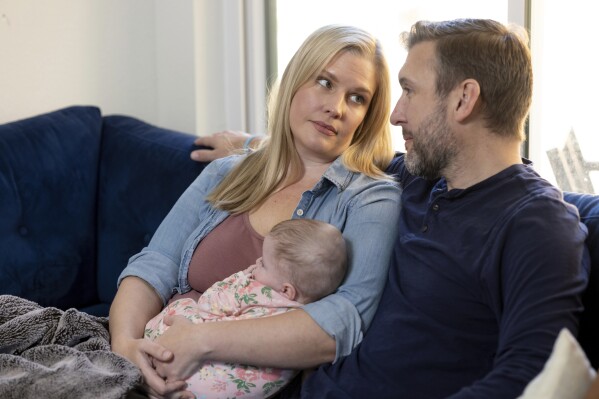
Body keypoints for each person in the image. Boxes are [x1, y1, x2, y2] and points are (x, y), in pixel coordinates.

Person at [193, 19, 590, 398]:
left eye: (410, 91)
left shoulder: (537, 225)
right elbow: (329, 152)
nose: (396, 114)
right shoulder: (415, 178)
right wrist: (253, 146)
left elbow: (533, 377)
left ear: (464, 99)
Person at [109, 24, 402, 399]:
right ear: (295, 82)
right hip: (155, 353)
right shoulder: (227, 171)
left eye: (357, 98)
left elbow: (344, 321)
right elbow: (156, 263)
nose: (337, 107)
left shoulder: (370, 199)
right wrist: (126, 346)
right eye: (325, 83)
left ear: (368, 117)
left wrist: (202, 340)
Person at [144, 219, 347, 399]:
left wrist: (242, 277)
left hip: (193, 370)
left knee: (184, 307)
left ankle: (151, 348)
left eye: (264, 265)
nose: (256, 263)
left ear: (286, 290)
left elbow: (210, 305)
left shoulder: (257, 292)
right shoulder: (303, 321)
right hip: (229, 391)